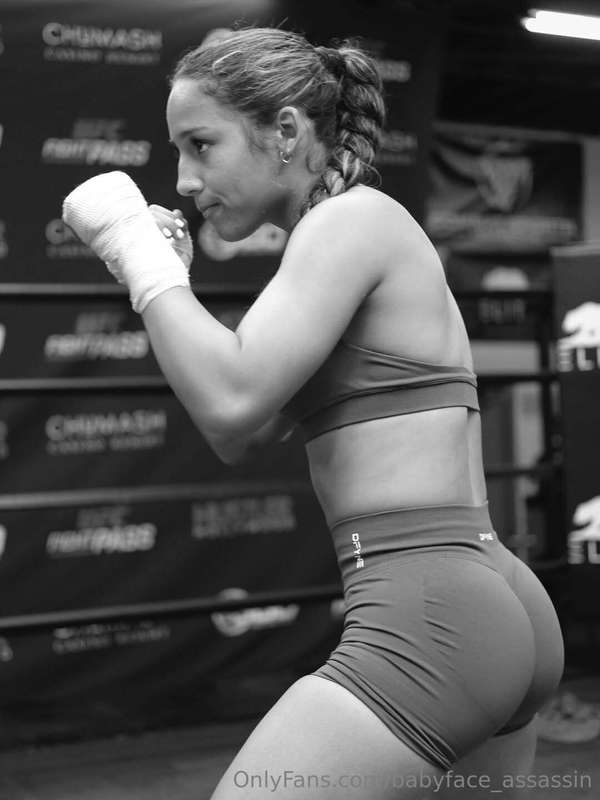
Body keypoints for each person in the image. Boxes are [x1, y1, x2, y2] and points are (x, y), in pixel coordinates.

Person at [62, 27, 564, 799]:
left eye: (202, 145)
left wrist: (140, 254)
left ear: (287, 131)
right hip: (481, 596)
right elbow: (247, 425)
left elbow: (230, 404)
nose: (186, 180)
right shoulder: (341, 234)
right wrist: (170, 282)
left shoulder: (348, 223)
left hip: (433, 611)